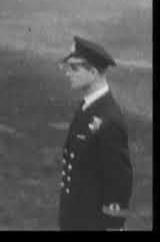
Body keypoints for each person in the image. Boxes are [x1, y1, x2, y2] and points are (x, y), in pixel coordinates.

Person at [57, 36, 133, 230]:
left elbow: (118, 181)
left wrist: (114, 226)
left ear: (93, 72)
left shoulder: (109, 119)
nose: (68, 74)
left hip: (93, 223)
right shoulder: (88, 106)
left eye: (74, 68)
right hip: (75, 218)